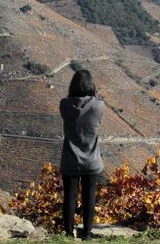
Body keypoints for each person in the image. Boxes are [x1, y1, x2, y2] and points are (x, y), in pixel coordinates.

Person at [59, 69, 105, 241]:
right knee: (89, 198)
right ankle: (87, 233)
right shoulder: (98, 106)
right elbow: (97, 108)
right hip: (92, 161)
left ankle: (69, 234)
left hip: (70, 160)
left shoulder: (64, 104)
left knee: (69, 198)